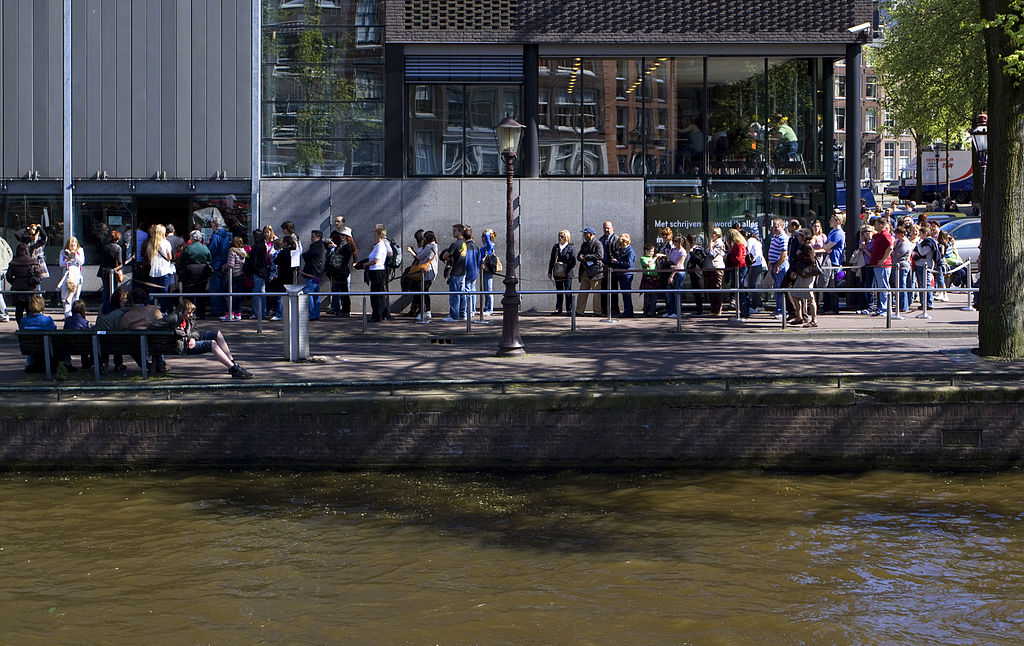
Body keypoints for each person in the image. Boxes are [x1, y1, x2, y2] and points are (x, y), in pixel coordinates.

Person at [170, 300, 253, 379]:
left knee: (217, 334)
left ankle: (232, 363)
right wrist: (177, 332)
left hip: (189, 339)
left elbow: (194, 329)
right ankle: (235, 369)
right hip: (182, 345)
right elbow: (162, 327)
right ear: (182, 311)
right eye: (188, 312)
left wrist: (193, 338)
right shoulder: (174, 318)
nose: (191, 315)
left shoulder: (189, 317)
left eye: (192, 312)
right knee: (212, 344)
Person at [788, 228, 819, 327]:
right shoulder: (802, 246)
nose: (798, 237)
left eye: (800, 235)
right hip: (801, 274)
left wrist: (800, 254)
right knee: (795, 294)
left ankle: (814, 320)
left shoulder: (807, 247)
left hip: (807, 274)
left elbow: (811, 259)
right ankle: (799, 317)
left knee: (810, 297)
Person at [19, 294, 57, 373]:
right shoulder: (48, 320)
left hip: (29, 348)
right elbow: (54, 330)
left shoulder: (24, 320)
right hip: (45, 348)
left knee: (30, 342)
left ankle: (28, 363)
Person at [8, 243, 44, 323]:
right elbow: (39, 276)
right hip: (30, 289)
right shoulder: (33, 262)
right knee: (30, 310)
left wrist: (15, 282)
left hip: (17, 289)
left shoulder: (13, 262)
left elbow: (8, 277)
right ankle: (29, 327)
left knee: (19, 310)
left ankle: (21, 326)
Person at [864, 218, 894, 316]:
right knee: (881, 287)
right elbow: (871, 235)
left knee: (884, 287)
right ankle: (882, 307)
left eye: (876, 224)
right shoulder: (879, 235)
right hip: (877, 265)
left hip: (883, 265)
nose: (875, 226)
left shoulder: (885, 235)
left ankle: (886, 309)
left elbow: (890, 247)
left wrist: (884, 259)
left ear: (881, 225)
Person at [408, 230, 438, 322]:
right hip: (430, 272)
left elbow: (419, 257)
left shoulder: (429, 247)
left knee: (422, 291)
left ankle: (425, 311)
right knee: (425, 291)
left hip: (427, 272)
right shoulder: (434, 246)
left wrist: (411, 251)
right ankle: (426, 311)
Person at [440, 224, 468, 322]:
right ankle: (462, 314)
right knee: (462, 294)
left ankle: (454, 315)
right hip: (463, 272)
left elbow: (445, 256)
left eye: (455, 231)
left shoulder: (455, 244)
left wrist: (449, 257)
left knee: (454, 295)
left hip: (455, 272)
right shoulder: (464, 244)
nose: (453, 233)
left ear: (460, 232)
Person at [326, 228, 356, 317]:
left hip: (342, 270)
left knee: (344, 291)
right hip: (339, 270)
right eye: (341, 235)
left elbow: (340, 259)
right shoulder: (342, 245)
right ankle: (341, 309)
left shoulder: (347, 246)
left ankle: (346, 310)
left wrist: (334, 255)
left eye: (343, 235)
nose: (341, 237)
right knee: (341, 290)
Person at [147, 224, 176, 313]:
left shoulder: (150, 243)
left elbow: (149, 258)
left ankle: (150, 310)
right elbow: (169, 257)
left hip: (153, 271)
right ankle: (163, 311)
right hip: (164, 270)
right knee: (164, 292)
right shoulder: (166, 243)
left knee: (152, 292)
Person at [207, 214, 232, 317]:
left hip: (216, 264)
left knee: (215, 289)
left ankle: (217, 310)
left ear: (213, 224)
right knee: (224, 288)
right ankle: (224, 309)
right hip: (225, 264)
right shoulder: (227, 235)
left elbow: (212, 251)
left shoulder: (216, 236)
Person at [821, 212, 846, 314]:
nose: (829, 222)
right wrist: (826, 247)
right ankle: (826, 307)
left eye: (832, 221)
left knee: (832, 286)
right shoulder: (832, 232)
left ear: (838, 222)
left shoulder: (839, 233)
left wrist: (826, 247)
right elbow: (825, 245)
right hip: (828, 261)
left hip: (834, 262)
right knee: (827, 285)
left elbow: (827, 246)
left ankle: (833, 308)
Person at [300, 230, 329, 320]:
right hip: (318, 274)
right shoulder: (322, 246)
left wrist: (304, 255)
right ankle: (316, 313)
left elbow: (307, 255)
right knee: (316, 294)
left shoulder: (316, 246)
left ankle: (312, 313)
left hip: (312, 273)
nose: (311, 239)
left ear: (318, 238)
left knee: (308, 293)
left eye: (313, 237)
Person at [366, 224, 392, 322]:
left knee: (378, 294)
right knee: (375, 294)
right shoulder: (377, 245)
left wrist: (365, 264)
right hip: (375, 271)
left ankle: (379, 315)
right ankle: (377, 314)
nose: (373, 236)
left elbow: (376, 260)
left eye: (375, 234)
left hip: (378, 271)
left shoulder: (382, 245)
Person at [576, 227, 604, 315]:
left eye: (585, 233)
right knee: (582, 292)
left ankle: (597, 312)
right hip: (584, 271)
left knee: (596, 293)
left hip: (595, 273)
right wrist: (580, 257)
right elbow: (579, 255)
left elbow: (600, 255)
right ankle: (579, 311)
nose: (584, 235)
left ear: (591, 234)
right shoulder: (584, 244)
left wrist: (587, 257)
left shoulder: (598, 243)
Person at [548, 230, 577, 315]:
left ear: (567, 237)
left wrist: (567, 268)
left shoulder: (571, 248)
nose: (560, 238)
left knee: (568, 290)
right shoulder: (556, 247)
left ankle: (569, 309)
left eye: (562, 236)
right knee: (559, 290)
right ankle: (558, 308)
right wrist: (550, 271)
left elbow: (574, 261)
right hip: (557, 272)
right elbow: (552, 260)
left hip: (567, 273)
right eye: (559, 236)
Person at [220, 236, 248, 321]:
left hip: (233, 275)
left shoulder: (232, 251)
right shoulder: (244, 252)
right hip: (241, 274)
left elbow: (231, 264)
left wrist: (223, 267)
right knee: (238, 295)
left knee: (229, 295)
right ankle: (238, 313)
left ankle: (229, 313)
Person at [609, 234, 637, 317]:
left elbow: (629, 264)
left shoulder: (630, 251)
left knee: (626, 293)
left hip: (627, 274)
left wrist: (617, 262)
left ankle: (629, 311)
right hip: (622, 274)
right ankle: (627, 310)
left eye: (622, 244)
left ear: (626, 243)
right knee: (624, 293)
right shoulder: (622, 250)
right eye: (620, 244)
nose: (621, 246)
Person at [97, 229, 125, 311]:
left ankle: (104, 306)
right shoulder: (118, 248)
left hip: (103, 271)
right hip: (113, 271)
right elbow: (120, 262)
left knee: (105, 289)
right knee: (113, 289)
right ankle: (112, 305)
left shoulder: (105, 246)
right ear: (118, 238)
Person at [767, 218, 790, 319]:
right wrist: (770, 262)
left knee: (781, 288)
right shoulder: (774, 237)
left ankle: (782, 310)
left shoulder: (783, 237)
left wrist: (778, 265)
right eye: (773, 227)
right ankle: (778, 308)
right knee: (776, 288)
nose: (774, 229)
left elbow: (784, 253)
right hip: (774, 264)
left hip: (780, 265)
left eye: (776, 227)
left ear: (782, 226)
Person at [58, 236, 85, 318]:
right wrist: (68, 259)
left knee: (76, 296)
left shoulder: (80, 251)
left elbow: (82, 262)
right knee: (66, 296)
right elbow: (61, 264)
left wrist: (76, 255)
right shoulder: (63, 252)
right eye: (71, 245)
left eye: (74, 245)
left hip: (77, 275)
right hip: (67, 275)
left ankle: (75, 314)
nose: (73, 247)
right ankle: (67, 315)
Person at [891, 225, 915, 316]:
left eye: (897, 234)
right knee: (898, 285)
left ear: (901, 234)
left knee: (902, 285)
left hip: (903, 266)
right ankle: (900, 304)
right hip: (897, 266)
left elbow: (898, 253)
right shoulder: (898, 242)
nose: (895, 236)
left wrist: (892, 252)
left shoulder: (905, 243)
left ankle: (904, 305)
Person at [724, 228, 748, 317]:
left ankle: (743, 311)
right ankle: (742, 311)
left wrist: (729, 256)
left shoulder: (738, 245)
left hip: (740, 268)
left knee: (740, 290)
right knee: (739, 290)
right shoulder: (739, 244)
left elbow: (739, 259)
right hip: (739, 268)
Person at [703, 227, 727, 316]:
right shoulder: (712, 242)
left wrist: (710, 246)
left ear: (718, 234)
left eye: (714, 233)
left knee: (716, 288)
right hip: (710, 268)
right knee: (711, 289)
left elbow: (712, 254)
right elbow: (705, 252)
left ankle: (717, 310)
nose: (712, 235)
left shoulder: (719, 243)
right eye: (711, 233)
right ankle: (713, 308)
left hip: (716, 268)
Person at [662, 236, 687, 318]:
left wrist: (671, 276)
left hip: (679, 273)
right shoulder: (672, 250)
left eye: (676, 241)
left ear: (680, 242)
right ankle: (669, 311)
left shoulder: (683, 252)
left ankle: (676, 312)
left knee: (677, 292)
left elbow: (678, 266)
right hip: (670, 271)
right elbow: (669, 261)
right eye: (674, 241)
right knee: (669, 293)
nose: (674, 243)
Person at [599, 220, 620, 316]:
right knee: (604, 290)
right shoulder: (601, 239)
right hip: (603, 268)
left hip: (612, 268)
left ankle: (614, 310)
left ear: (612, 228)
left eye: (608, 228)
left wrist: (614, 260)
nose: (606, 230)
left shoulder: (616, 239)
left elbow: (618, 252)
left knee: (613, 289)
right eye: (604, 228)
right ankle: (605, 310)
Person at [743, 228, 766, 314]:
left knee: (751, 286)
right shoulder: (757, 241)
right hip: (758, 264)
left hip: (754, 265)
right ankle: (755, 304)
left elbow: (747, 252)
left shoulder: (750, 241)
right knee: (753, 285)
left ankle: (759, 305)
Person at [461, 226, 481, 319]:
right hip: (475, 271)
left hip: (467, 271)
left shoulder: (465, 246)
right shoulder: (476, 246)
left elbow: (464, 260)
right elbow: (479, 260)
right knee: (473, 290)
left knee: (467, 291)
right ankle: (473, 310)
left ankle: (468, 310)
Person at [684, 234, 705, 316]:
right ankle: (698, 309)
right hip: (693, 272)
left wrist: (692, 252)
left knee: (697, 291)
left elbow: (699, 259)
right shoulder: (693, 248)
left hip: (697, 272)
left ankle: (700, 310)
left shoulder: (697, 249)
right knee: (695, 291)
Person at [639, 243, 660, 317]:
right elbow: (648, 265)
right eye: (651, 251)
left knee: (654, 296)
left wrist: (658, 259)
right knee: (647, 296)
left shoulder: (653, 258)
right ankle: (646, 311)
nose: (652, 253)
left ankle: (652, 311)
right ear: (646, 251)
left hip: (655, 278)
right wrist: (655, 258)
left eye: (653, 251)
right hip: (648, 279)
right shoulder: (643, 258)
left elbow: (658, 267)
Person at [479, 228, 497, 316]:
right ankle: (486, 308)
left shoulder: (490, 245)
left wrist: (488, 232)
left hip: (488, 269)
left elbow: (487, 236)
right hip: (484, 269)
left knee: (489, 289)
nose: (482, 237)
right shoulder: (485, 246)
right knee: (486, 289)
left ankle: (490, 309)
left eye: (483, 236)